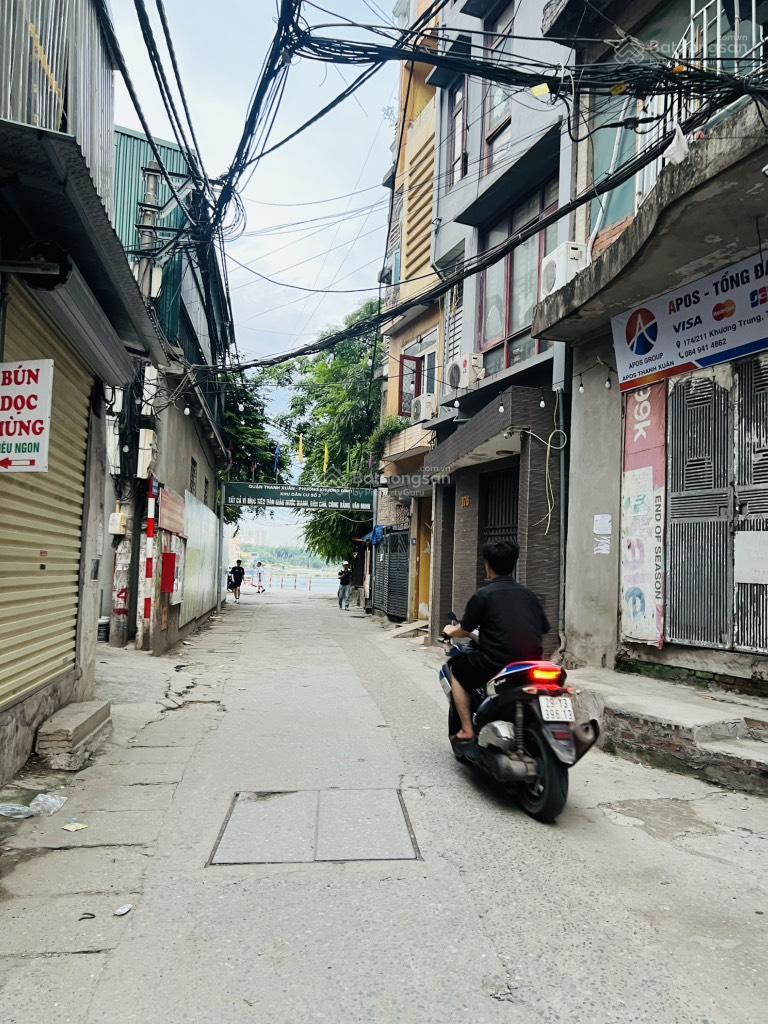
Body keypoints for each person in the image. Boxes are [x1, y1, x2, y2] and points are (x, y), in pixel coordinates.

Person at [443, 540, 550, 741]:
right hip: (530, 664)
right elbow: (544, 628)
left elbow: (464, 630)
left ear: (488, 565)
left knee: (456, 670)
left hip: (496, 663)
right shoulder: (529, 596)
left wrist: (450, 630)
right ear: (513, 564)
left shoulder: (483, 595)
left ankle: (467, 729)